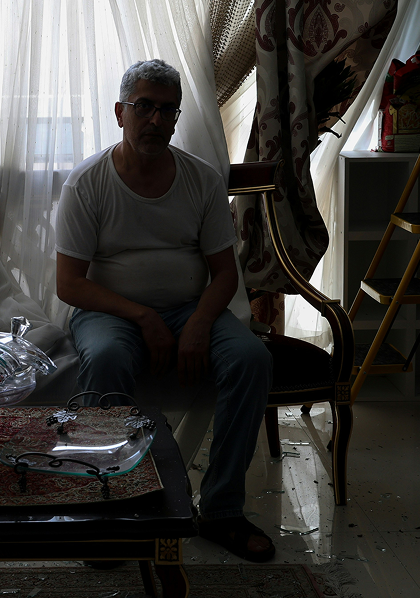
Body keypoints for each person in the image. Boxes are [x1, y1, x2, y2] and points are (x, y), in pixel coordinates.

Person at [55, 58, 274, 562]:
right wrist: (144, 317)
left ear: (176, 119)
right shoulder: (86, 184)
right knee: (107, 357)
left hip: (191, 308)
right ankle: (105, 507)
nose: (155, 120)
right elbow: (69, 284)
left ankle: (221, 511)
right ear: (120, 112)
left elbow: (224, 273)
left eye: (166, 111)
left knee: (252, 359)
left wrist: (198, 322)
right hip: (109, 313)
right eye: (143, 107)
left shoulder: (200, 179)